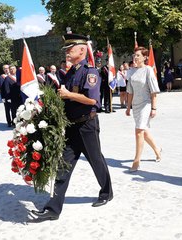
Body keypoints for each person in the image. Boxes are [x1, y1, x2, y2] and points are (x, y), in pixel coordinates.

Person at [31, 33, 113, 221]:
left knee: (96, 160)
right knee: (63, 167)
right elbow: (63, 96)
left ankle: (107, 192)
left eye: (71, 48)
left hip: (87, 125)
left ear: (82, 50)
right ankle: (53, 209)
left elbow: (92, 99)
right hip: (71, 127)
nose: (67, 52)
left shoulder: (90, 72)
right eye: (67, 49)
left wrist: (68, 95)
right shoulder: (70, 73)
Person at [126, 46, 162, 172]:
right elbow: (130, 91)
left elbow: (154, 91)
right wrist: (128, 107)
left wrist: (154, 108)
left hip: (146, 104)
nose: (135, 57)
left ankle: (137, 161)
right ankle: (157, 150)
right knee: (144, 132)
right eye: (134, 55)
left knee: (139, 131)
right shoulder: (131, 71)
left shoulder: (148, 70)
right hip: (135, 105)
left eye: (138, 55)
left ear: (145, 57)